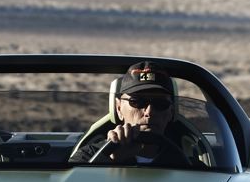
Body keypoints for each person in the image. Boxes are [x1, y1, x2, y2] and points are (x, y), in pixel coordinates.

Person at [70, 62, 203, 167]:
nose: (149, 112)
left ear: (171, 112)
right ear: (118, 108)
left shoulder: (189, 166)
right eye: (137, 102)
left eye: (160, 104)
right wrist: (110, 160)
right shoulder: (87, 157)